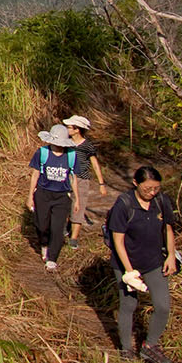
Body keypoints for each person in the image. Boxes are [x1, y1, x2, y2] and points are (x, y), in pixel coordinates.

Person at [107, 165, 180, 363]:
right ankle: (126, 348)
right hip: (126, 264)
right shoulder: (124, 205)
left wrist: (171, 256)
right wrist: (129, 272)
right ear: (135, 184)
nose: (152, 192)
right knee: (129, 305)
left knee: (163, 305)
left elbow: (168, 228)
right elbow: (118, 241)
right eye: (147, 188)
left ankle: (150, 346)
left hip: (154, 261)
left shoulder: (161, 201)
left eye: (156, 188)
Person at [27, 123, 81, 271]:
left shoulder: (71, 156)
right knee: (41, 224)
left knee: (57, 228)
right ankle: (44, 244)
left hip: (62, 196)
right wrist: (30, 195)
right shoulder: (42, 153)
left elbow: (73, 178)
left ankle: (52, 258)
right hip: (43, 193)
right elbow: (35, 175)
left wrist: (77, 199)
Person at [61, 115, 106, 240]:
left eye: (69, 127)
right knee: (64, 204)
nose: (67, 129)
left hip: (81, 179)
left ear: (77, 129)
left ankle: (73, 238)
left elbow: (95, 165)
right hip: (65, 177)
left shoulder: (87, 146)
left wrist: (101, 184)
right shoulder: (65, 143)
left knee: (78, 206)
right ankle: (65, 225)